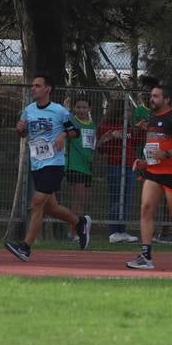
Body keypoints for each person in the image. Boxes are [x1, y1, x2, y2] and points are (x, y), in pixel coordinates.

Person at [6, 75, 91, 261]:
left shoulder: (59, 111)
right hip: (37, 164)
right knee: (51, 208)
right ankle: (80, 223)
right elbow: (22, 133)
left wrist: (62, 134)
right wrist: (19, 128)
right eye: (33, 85)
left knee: (36, 203)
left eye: (37, 86)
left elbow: (75, 130)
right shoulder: (28, 110)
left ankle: (25, 247)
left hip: (54, 164)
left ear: (48, 89)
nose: (33, 88)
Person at [125, 83, 172, 270]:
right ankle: (146, 255)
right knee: (146, 208)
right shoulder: (151, 119)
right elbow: (154, 147)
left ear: (167, 99)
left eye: (156, 96)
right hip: (154, 172)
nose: (152, 99)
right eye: (151, 96)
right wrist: (144, 162)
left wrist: (167, 155)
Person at [96, 99, 138, 242]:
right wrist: (109, 137)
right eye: (127, 111)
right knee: (115, 198)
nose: (129, 114)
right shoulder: (105, 127)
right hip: (115, 165)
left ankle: (122, 230)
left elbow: (137, 141)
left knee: (127, 198)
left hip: (129, 166)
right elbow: (100, 148)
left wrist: (143, 129)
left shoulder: (128, 127)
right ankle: (114, 231)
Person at [62, 94, 98, 238]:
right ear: (74, 108)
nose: (81, 110)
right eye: (78, 107)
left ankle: (78, 230)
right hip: (74, 165)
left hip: (87, 166)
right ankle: (73, 233)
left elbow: (92, 146)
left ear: (89, 108)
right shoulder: (72, 122)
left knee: (83, 201)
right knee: (77, 200)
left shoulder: (92, 125)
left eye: (84, 107)